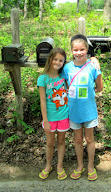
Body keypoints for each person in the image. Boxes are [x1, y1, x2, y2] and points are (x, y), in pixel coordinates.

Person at [62, 34, 103, 181]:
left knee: (90, 140)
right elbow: (65, 85)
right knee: (78, 140)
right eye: (75, 50)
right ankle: (80, 166)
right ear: (71, 50)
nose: (79, 53)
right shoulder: (67, 68)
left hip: (89, 111)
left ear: (87, 49)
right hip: (74, 111)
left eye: (82, 49)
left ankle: (91, 166)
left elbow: (100, 87)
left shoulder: (93, 66)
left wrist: (89, 94)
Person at [37, 47, 69, 180]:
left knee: (61, 142)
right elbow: (43, 101)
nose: (58, 62)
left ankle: (59, 166)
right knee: (50, 143)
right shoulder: (43, 79)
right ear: (50, 59)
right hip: (50, 118)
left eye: (61, 60)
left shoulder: (64, 76)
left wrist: (94, 59)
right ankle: (48, 165)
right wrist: (45, 121)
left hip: (63, 116)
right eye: (55, 59)